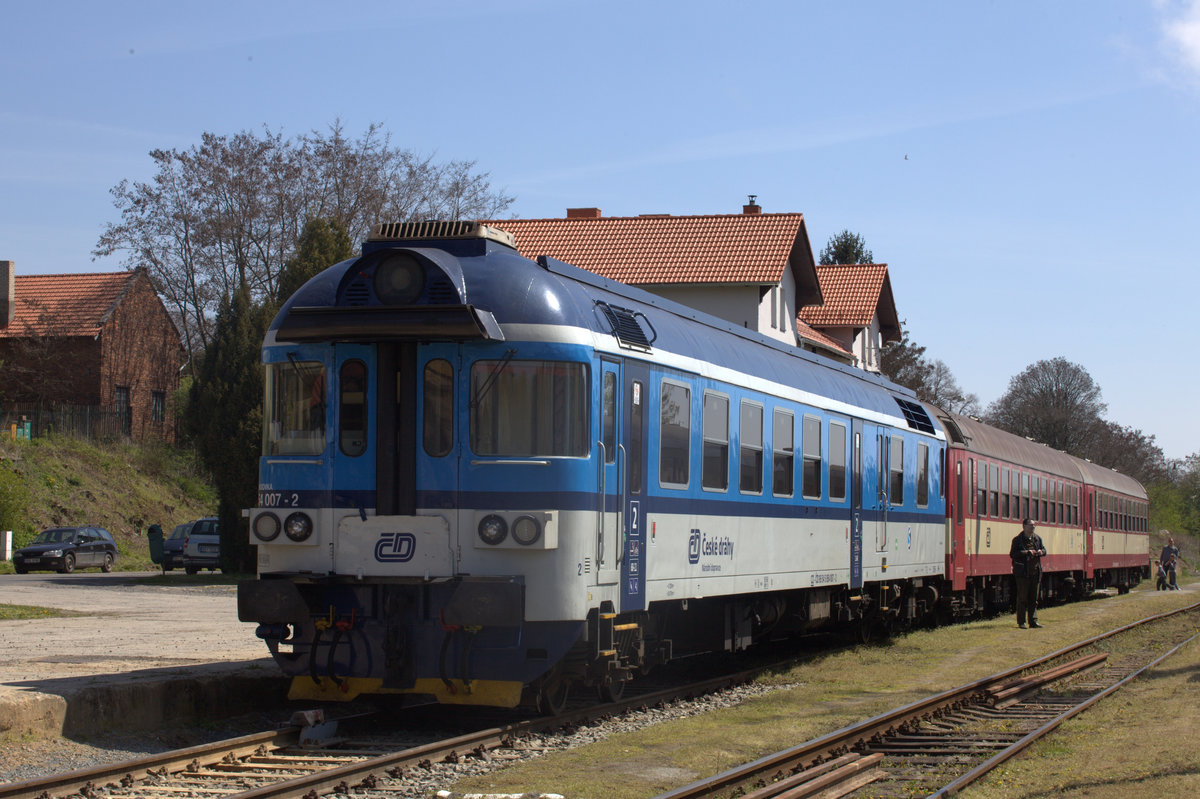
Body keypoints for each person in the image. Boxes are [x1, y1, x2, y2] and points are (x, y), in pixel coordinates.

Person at [1010, 518, 1047, 629]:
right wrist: (1026, 552)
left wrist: (1041, 552)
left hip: (1035, 572)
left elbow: (1044, 550)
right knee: (1022, 598)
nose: (1033, 527)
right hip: (1022, 573)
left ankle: (1033, 621)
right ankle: (1021, 622)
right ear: (1024, 526)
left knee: (1033, 598)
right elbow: (1013, 554)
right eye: (1031, 525)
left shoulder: (1037, 539)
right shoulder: (1017, 540)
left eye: (1034, 525)